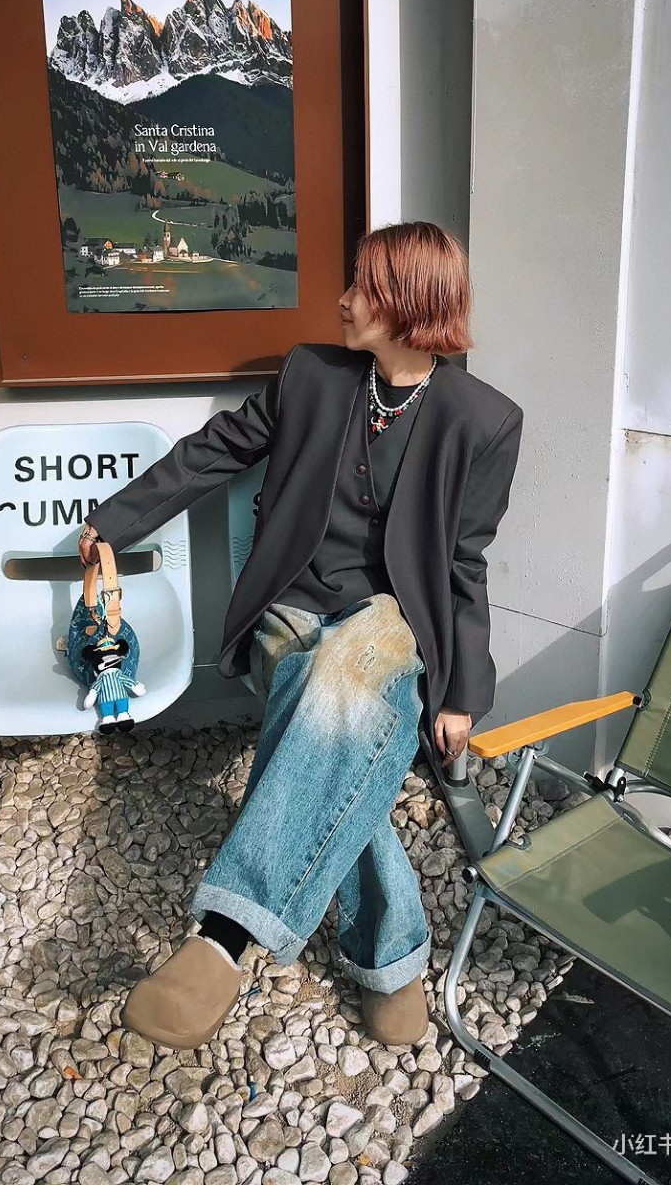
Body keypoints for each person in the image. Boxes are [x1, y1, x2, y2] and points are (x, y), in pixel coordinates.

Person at [78, 221, 523, 1050]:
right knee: (338, 723)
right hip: (293, 607)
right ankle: (390, 962)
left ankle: (225, 937)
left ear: (407, 304)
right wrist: (116, 520)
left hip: (393, 622)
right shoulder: (312, 376)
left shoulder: (483, 421)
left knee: (344, 682)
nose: (343, 300)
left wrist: (463, 691)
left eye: (362, 287)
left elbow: (465, 561)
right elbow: (215, 451)